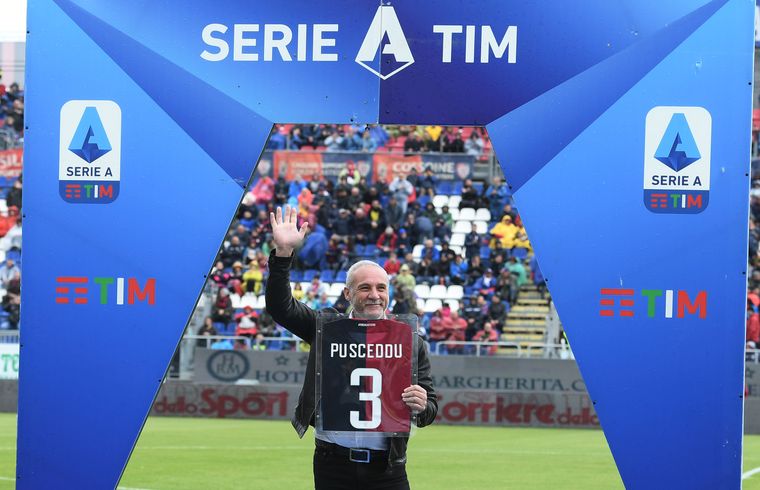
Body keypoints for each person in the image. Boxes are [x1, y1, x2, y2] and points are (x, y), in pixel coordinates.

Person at [265, 206, 437, 489]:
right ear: (348, 293)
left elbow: (429, 410)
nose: (374, 295)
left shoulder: (410, 340)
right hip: (332, 463)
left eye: (381, 288)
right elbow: (280, 308)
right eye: (365, 288)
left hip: (387, 468)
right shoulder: (326, 328)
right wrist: (283, 255)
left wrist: (422, 404)